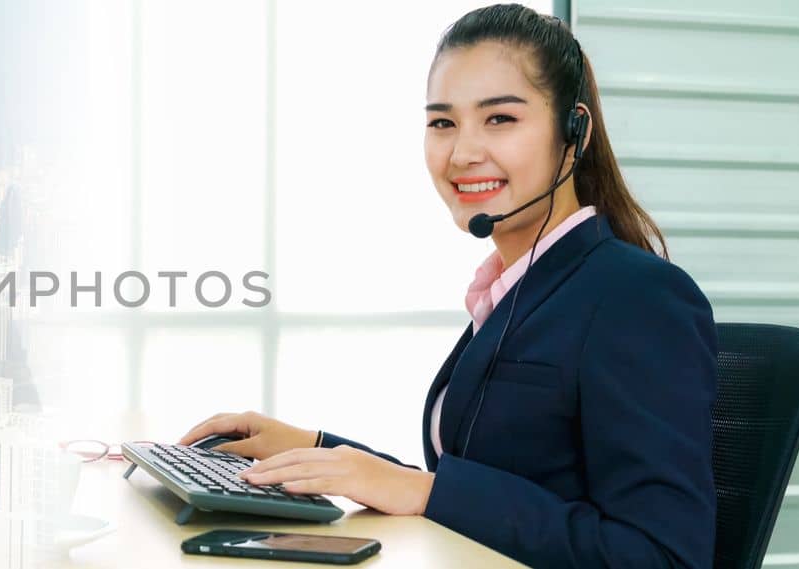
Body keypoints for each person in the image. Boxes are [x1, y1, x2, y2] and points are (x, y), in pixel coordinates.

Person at [178, 4, 716, 567]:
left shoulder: (636, 297)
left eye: (500, 119)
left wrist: (425, 490)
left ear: (573, 132)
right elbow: (487, 487)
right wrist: (315, 448)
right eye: (442, 122)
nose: (462, 153)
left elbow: (663, 554)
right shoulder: (512, 290)